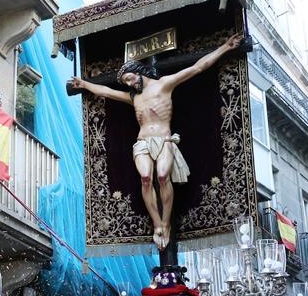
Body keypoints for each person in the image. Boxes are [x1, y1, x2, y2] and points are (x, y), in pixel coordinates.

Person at [70, 33, 243, 249]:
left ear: (140, 72)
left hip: (164, 140)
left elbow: (198, 67)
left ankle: (166, 223)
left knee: (162, 177)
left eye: (131, 78)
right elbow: (106, 91)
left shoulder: (164, 85)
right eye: (126, 82)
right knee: (145, 178)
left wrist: (226, 47)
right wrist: (84, 84)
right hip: (142, 142)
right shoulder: (133, 97)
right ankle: (157, 224)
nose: (130, 84)